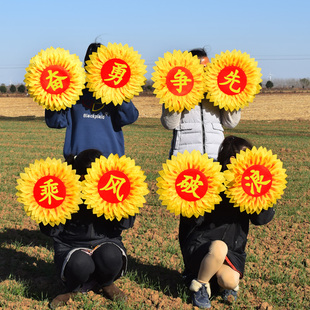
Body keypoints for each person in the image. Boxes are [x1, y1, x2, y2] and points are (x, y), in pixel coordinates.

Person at [178, 136, 275, 308]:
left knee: (229, 281)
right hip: (202, 247)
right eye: (248, 159)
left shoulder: (249, 187)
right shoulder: (208, 181)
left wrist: (262, 196)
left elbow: (261, 220)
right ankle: (198, 285)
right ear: (232, 160)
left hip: (232, 252)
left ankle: (217, 283)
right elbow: (191, 222)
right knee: (218, 248)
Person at [40, 149, 135, 308]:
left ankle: (106, 283)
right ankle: (73, 288)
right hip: (71, 246)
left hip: (106, 241)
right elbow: (51, 231)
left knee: (110, 256)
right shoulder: (63, 190)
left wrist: (121, 203)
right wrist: (50, 211)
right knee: (80, 264)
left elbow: (125, 224)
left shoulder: (113, 186)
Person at [45, 42, 139, 159]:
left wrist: (121, 92)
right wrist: (52, 96)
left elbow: (130, 117)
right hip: (78, 162)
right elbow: (55, 122)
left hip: (109, 164)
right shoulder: (74, 91)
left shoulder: (115, 93)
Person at [160, 47, 241, 160]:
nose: (206, 71)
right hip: (184, 156)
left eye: (208, 67)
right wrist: (177, 98)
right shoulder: (174, 90)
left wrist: (233, 98)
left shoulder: (218, 92)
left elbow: (230, 123)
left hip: (214, 154)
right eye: (203, 68)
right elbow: (169, 124)